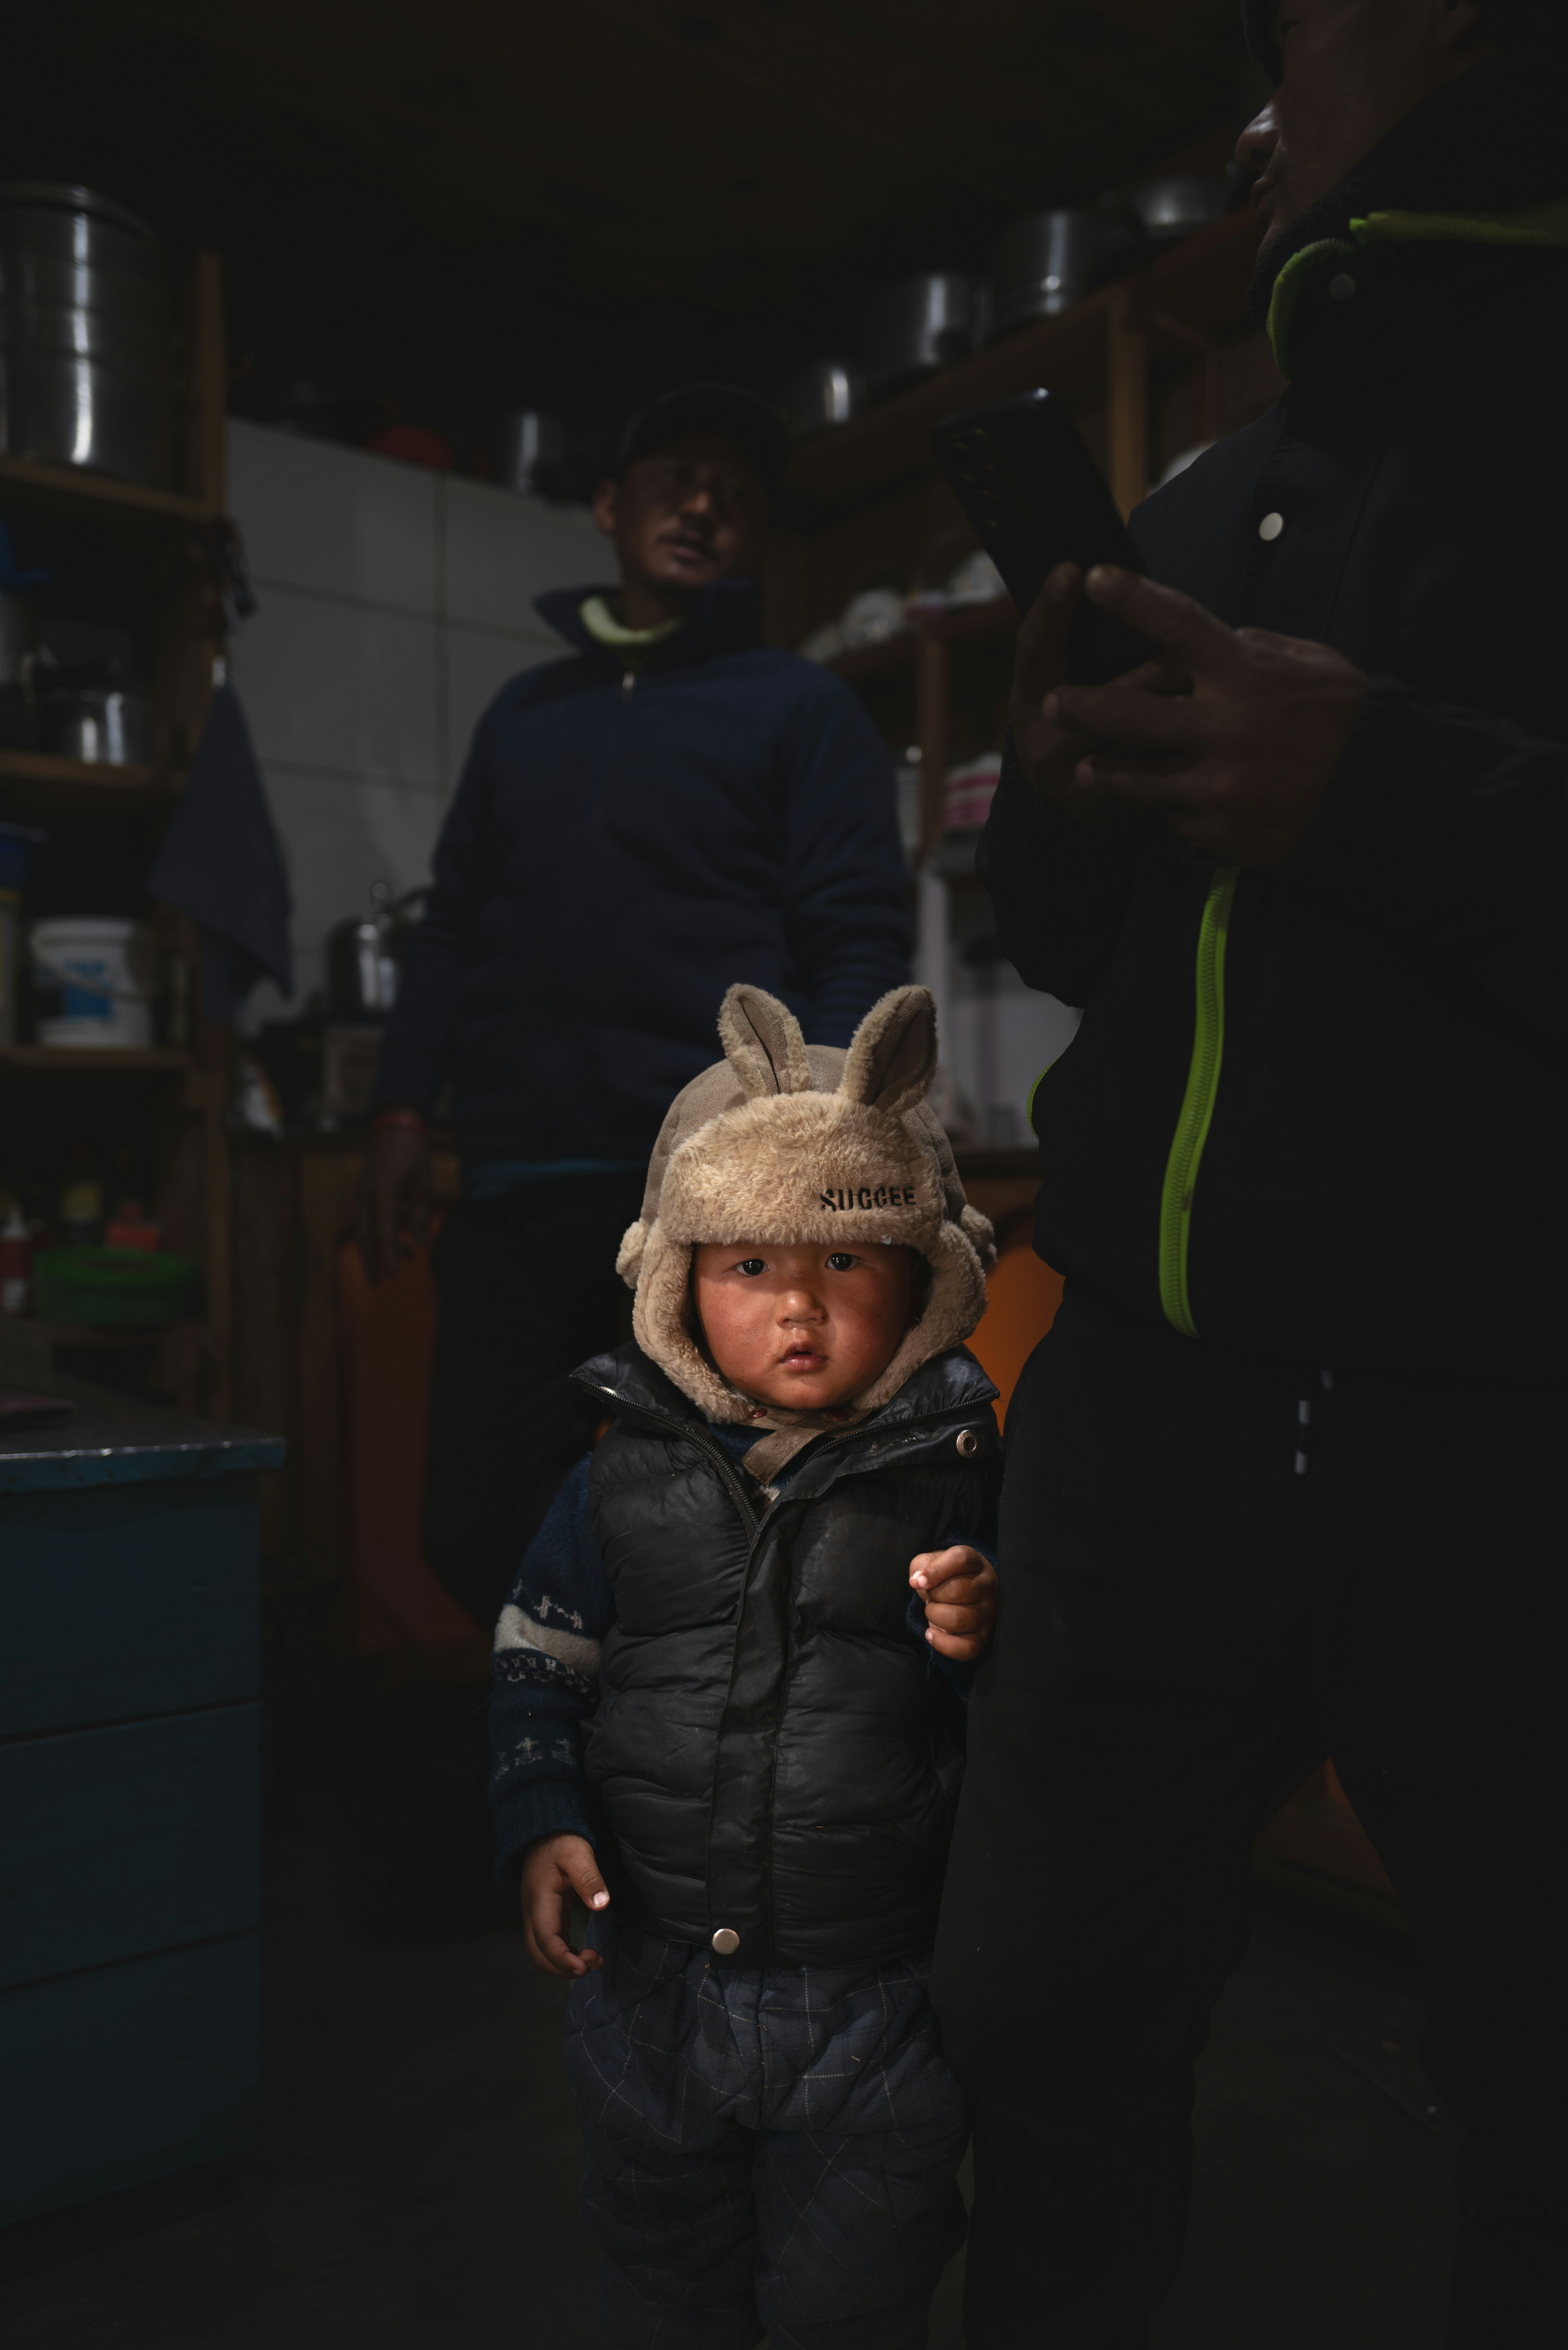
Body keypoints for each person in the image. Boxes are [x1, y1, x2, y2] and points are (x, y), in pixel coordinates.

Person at [931, 3, 1568, 2344]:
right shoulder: (1197, 501)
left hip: (1500, 1417)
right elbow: (1089, 960)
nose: (1245, 120)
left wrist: (1387, 789)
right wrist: (1042, 819)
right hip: (1133, 1398)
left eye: (1283, 59)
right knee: (1029, 2016)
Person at [491, 982, 1000, 2350]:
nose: (797, 1309)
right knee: (665, 2280)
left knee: (854, 2297)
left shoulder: (962, 1484)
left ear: (921, 1271)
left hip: (874, 2007)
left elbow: (1021, 1723)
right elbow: (539, 1660)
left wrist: (978, 1640)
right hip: (648, 1990)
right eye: (749, 1266)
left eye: (844, 1263)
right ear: (674, 1278)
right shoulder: (615, 1483)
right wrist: (541, 1814)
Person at [359, 385, 910, 1631]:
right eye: (674, 480)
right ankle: (560, 1778)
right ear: (610, 508)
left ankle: (669, 1809)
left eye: (736, 495)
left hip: (699, 1200)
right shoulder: (525, 714)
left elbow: (855, 936)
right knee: (474, 1524)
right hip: (512, 1192)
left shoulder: (800, 707)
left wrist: (812, 1149)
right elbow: (450, 924)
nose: (703, 506)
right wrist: (400, 1103)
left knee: (716, 1537)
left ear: (755, 537)